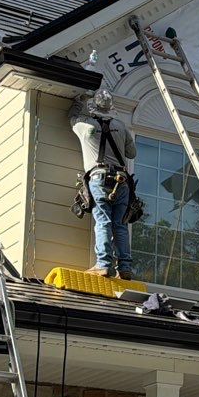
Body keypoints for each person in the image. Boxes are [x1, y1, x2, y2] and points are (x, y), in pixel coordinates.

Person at [68, 90, 138, 279]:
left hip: (100, 178)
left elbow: (72, 118)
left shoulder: (86, 125)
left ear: (93, 107)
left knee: (103, 221)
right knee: (120, 225)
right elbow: (132, 153)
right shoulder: (121, 127)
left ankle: (104, 264)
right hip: (122, 180)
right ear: (111, 108)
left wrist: (78, 101)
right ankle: (125, 268)